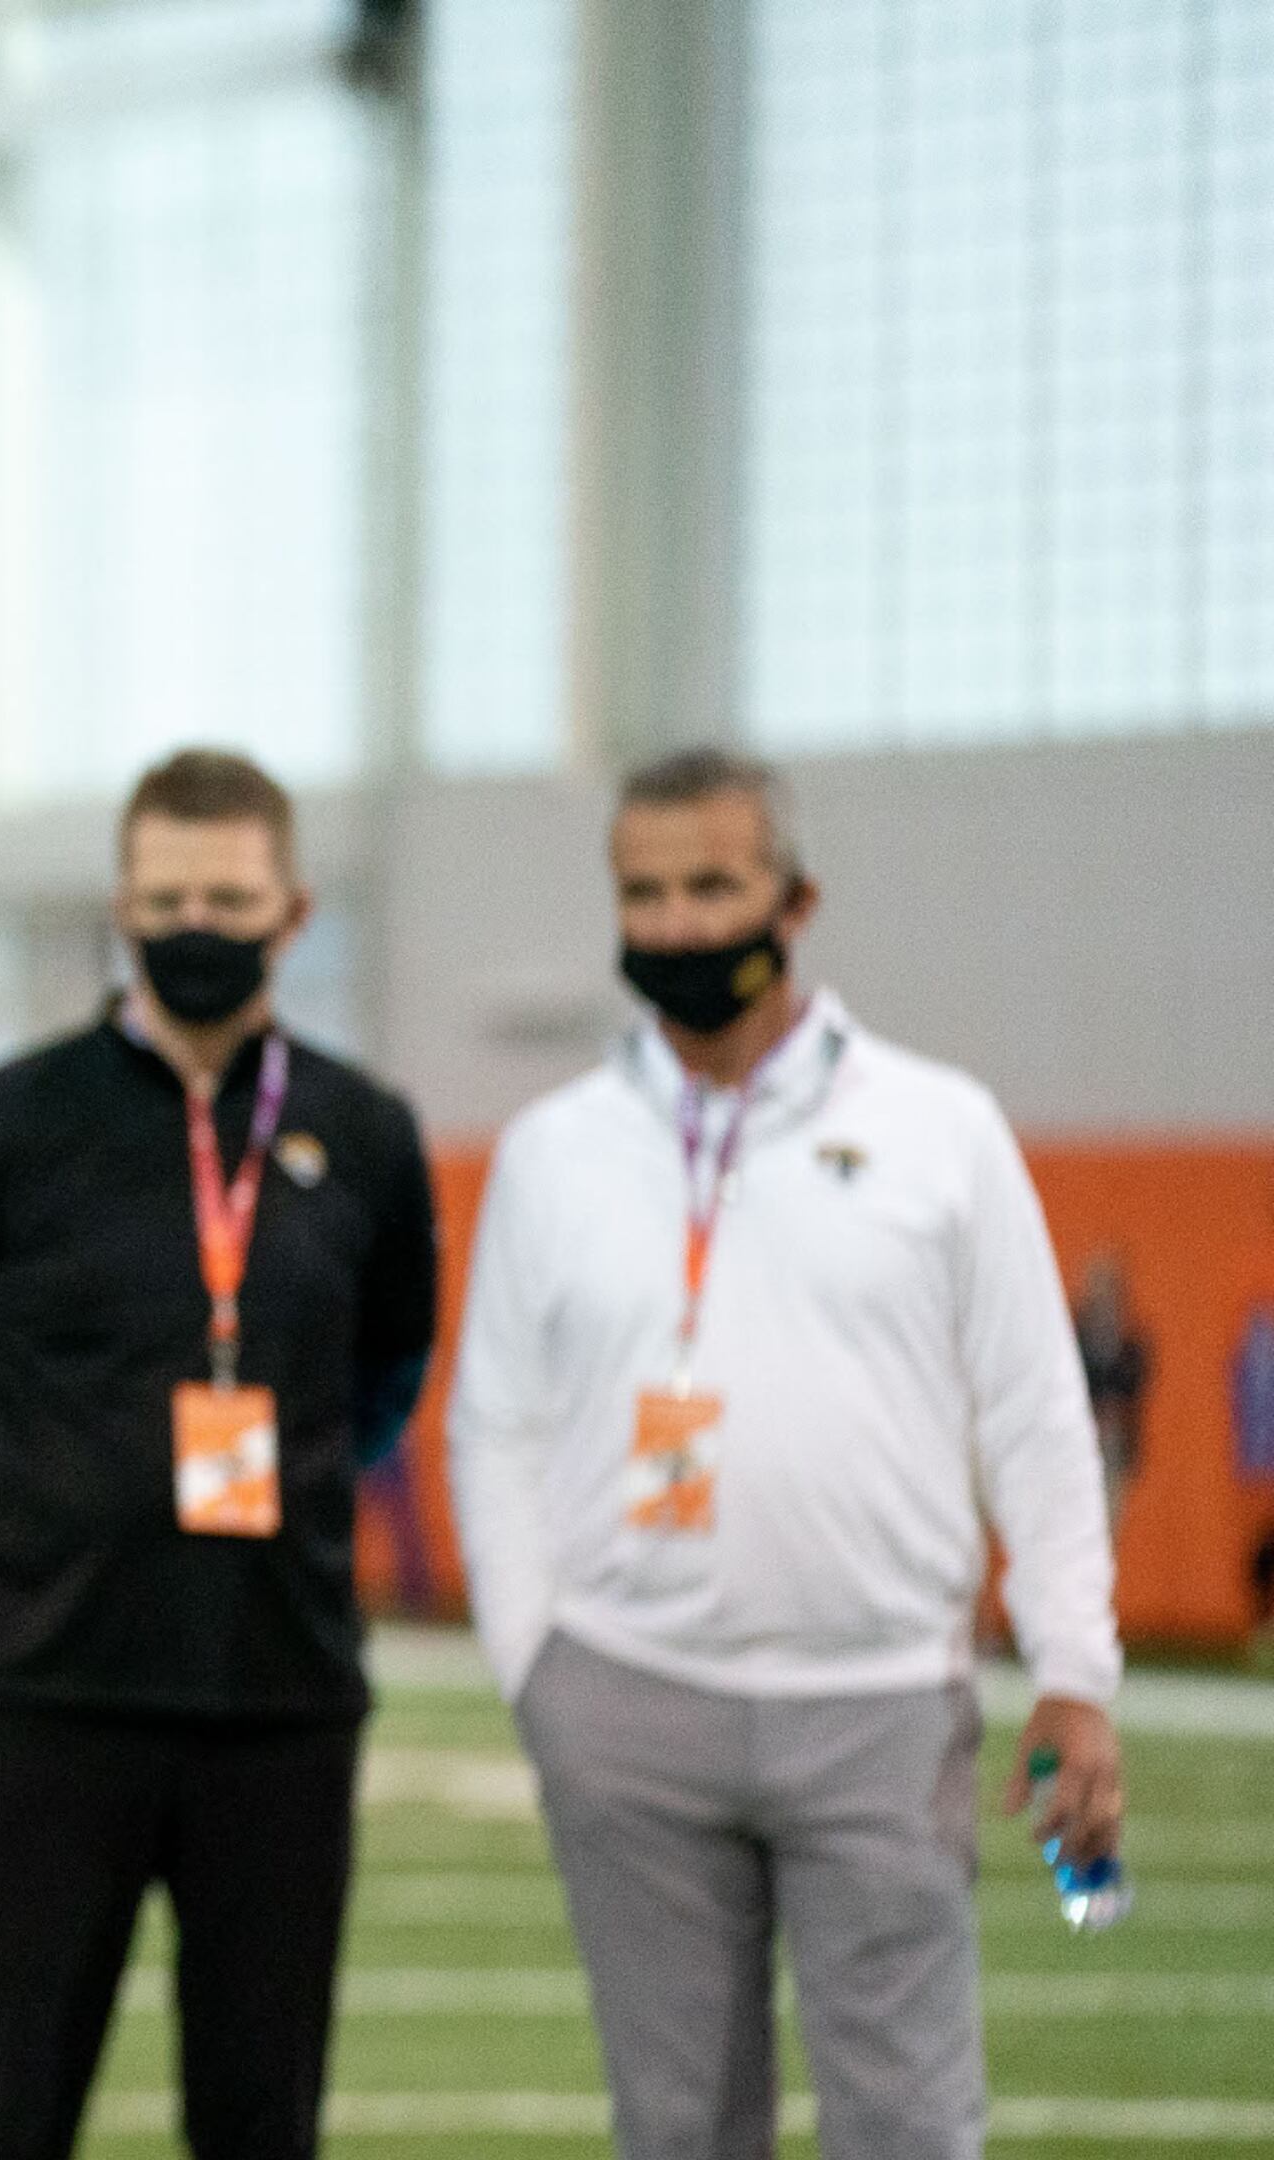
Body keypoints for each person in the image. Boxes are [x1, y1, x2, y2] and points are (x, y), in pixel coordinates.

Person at [447, 748, 1123, 2160]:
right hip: (626, 1709)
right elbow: (494, 1423)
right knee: (678, 2129)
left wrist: (1077, 1666)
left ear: (796, 897)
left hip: (878, 1707)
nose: (683, 923)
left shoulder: (942, 1132)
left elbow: (1033, 1408)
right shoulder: (552, 1153)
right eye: (647, 892)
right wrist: (541, 1667)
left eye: (715, 883)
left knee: (909, 2125)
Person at [0, 748, 440, 2160]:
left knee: (261, 2122)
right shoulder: (0, 1122)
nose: (197, 923)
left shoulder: (364, 1132)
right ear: (120, 905)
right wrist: (12, 1523)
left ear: (294, 913)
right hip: (43, 1699)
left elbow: (386, 1381)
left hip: (280, 1704)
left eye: (230, 896)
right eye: (168, 893)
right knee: (7, 2116)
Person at [1072, 1250, 1150, 1538]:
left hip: (1113, 1450)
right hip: (1077, 1448)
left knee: (1106, 1532)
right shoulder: (1072, 1339)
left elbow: (1131, 1388)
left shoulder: (1131, 1343)